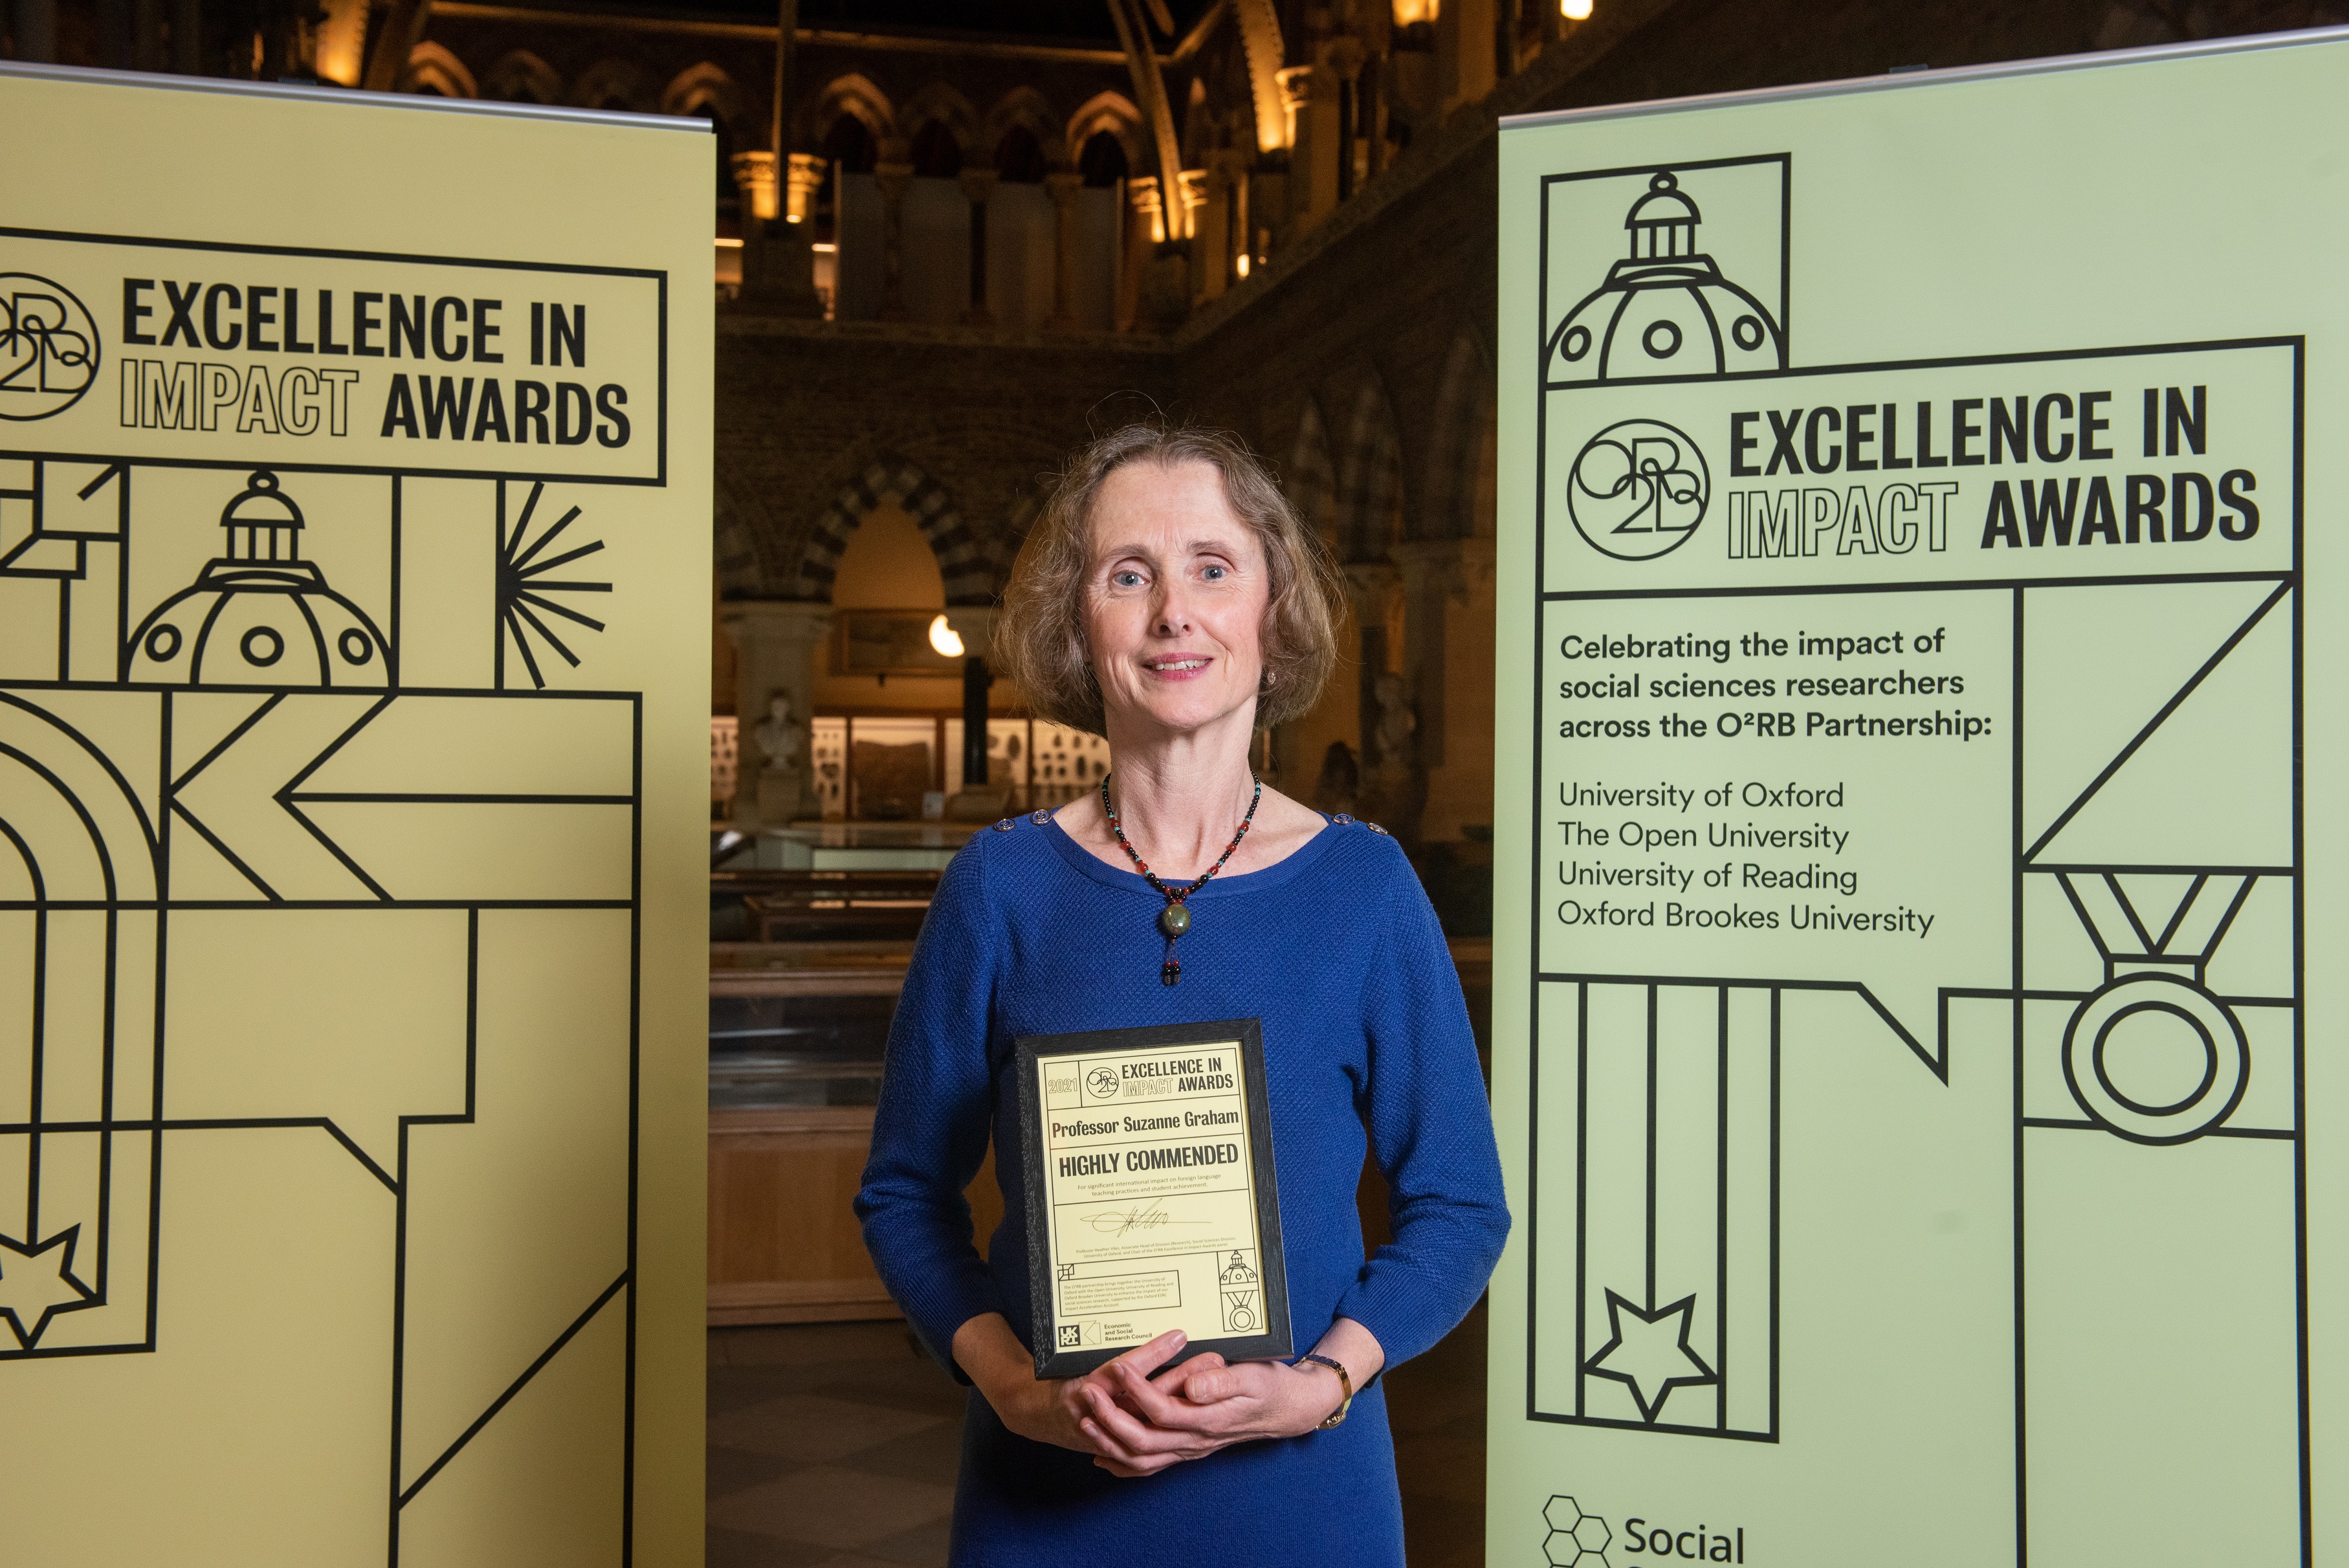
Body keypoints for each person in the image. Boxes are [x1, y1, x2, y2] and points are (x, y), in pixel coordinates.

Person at [854, 425, 1508, 1567]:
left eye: (1212, 567)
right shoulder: (998, 889)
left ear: (1272, 611)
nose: (1173, 612)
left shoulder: (1364, 887)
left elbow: (1458, 1207)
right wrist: (1014, 1389)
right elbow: (906, 1193)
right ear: (1078, 621)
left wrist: (1323, 1382)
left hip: (1304, 1496)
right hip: (1044, 1498)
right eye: (1127, 574)